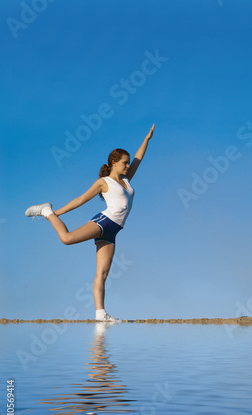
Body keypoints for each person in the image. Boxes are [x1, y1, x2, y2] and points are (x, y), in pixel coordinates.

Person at [25, 124, 155, 322]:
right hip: (104, 221)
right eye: (124, 163)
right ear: (114, 162)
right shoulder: (104, 182)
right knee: (67, 239)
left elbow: (139, 159)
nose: (128, 166)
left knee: (102, 274)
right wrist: (57, 212)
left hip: (113, 231)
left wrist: (146, 139)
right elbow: (80, 200)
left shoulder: (126, 180)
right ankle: (46, 211)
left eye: (128, 163)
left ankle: (101, 314)